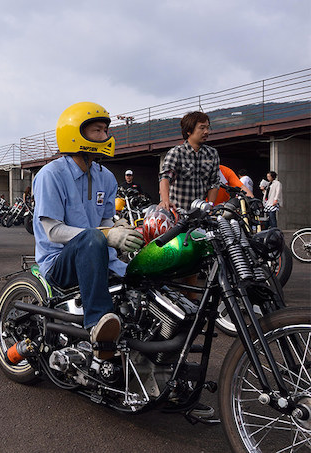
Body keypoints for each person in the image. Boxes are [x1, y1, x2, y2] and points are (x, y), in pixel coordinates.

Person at [33, 101, 144, 360]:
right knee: (92, 237)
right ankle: (98, 324)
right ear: (75, 134)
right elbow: (53, 231)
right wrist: (106, 234)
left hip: (101, 257)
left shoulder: (106, 177)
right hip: (59, 262)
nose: (105, 137)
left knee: (145, 273)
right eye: (97, 130)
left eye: (106, 130)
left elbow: (105, 221)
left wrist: (120, 227)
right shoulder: (51, 175)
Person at [159, 111, 220, 211]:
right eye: (202, 128)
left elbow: (214, 183)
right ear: (189, 131)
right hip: (178, 212)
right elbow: (165, 178)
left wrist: (210, 205)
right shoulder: (176, 153)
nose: (206, 132)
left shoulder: (212, 154)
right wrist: (165, 201)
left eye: (207, 128)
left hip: (201, 213)